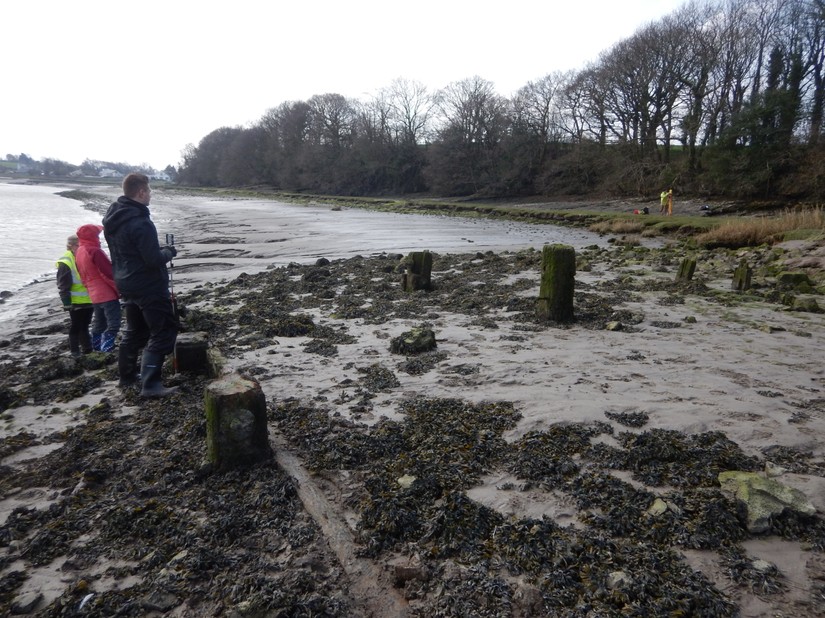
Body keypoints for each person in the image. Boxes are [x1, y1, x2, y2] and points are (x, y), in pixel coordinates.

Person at [103, 173, 178, 398]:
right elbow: (152, 259)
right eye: (149, 191)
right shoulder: (140, 222)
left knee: (135, 331)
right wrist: (169, 251)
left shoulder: (113, 220)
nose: (151, 196)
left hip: (125, 282)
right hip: (147, 285)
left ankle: (126, 376)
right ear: (141, 192)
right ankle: (151, 385)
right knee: (163, 331)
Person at [75, 224, 121, 352]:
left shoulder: (79, 251)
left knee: (99, 322)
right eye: (97, 235)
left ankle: (96, 346)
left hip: (94, 294)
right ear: (92, 236)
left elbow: (82, 274)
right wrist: (119, 289)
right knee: (114, 322)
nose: (99, 239)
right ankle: (107, 347)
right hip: (106, 293)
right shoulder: (95, 251)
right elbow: (107, 273)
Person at [56, 235, 94, 358]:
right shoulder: (66, 262)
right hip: (75, 300)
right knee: (76, 325)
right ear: (71, 246)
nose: (81, 247)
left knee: (85, 324)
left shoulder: (83, 256)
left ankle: (87, 348)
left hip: (89, 298)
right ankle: (75, 351)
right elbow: (62, 285)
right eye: (78, 245)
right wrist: (66, 303)